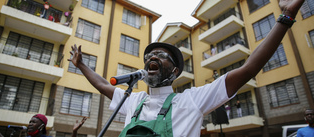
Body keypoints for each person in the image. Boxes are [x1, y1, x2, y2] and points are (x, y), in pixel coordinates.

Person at [68, 0, 305, 136]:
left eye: (161, 55)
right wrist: (81, 65)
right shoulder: (132, 101)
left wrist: (286, 18)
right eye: (150, 55)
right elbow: (101, 84)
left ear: (174, 72)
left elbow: (249, 69)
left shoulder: (192, 100)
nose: (153, 56)